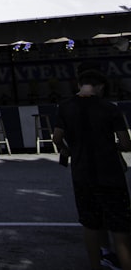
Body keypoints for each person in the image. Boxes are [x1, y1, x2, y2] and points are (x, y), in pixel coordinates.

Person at [53, 69, 131, 270]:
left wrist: (67, 150)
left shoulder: (65, 107)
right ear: (101, 87)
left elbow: (57, 138)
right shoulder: (109, 108)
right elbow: (126, 143)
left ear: (79, 85)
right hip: (110, 173)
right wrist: (111, 145)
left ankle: (97, 265)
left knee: (90, 224)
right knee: (120, 226)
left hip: (82, 173)